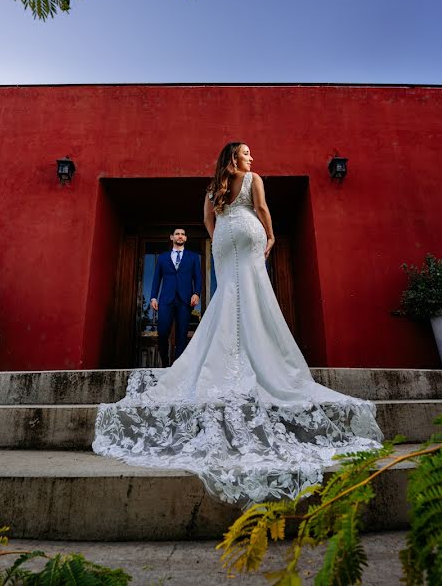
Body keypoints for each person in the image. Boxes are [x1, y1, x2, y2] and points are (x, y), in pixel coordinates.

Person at [94, 142, 383, 507]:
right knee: (254, 292)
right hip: (247, 229)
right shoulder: (252, 179)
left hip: (224, 236)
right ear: (235, 158)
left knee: (228, 293)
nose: (252, 158)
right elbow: (261, 208)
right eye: (247, 153)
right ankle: (255, 351)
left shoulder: (214, 187)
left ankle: (224, 354)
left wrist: (219, 238)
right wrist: (271, 234)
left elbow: (207, 222)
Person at [150, 228, 202, 367]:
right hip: (166, 299)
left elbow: (198, 277)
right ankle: (165, 363)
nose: (180, 236)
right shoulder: (162, 257)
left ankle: (177, 367)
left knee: (182, 334)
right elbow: (156, 279)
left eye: (183, 234)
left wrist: (196, 293)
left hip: (185, 300)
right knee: (162, 332)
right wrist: (153, 297)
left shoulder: (193, 257)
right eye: (177, 234)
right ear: (171, 237)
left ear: (185, 238)